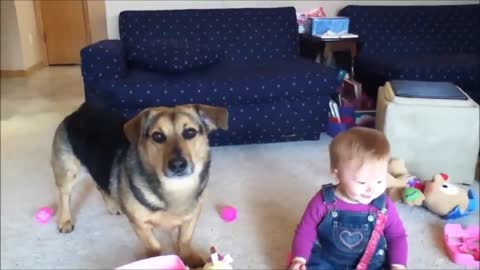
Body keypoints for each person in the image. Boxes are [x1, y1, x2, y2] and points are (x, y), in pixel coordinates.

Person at [290, 127, 407, 270]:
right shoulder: (323, 201)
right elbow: (306, 231)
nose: (372, 189)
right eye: (362, 182)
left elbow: (397, 236)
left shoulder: (384, 205)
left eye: (380, 181)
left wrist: (398, 266)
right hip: (327, 260)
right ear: (337, 174)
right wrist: (299, 258)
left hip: (372, 262)